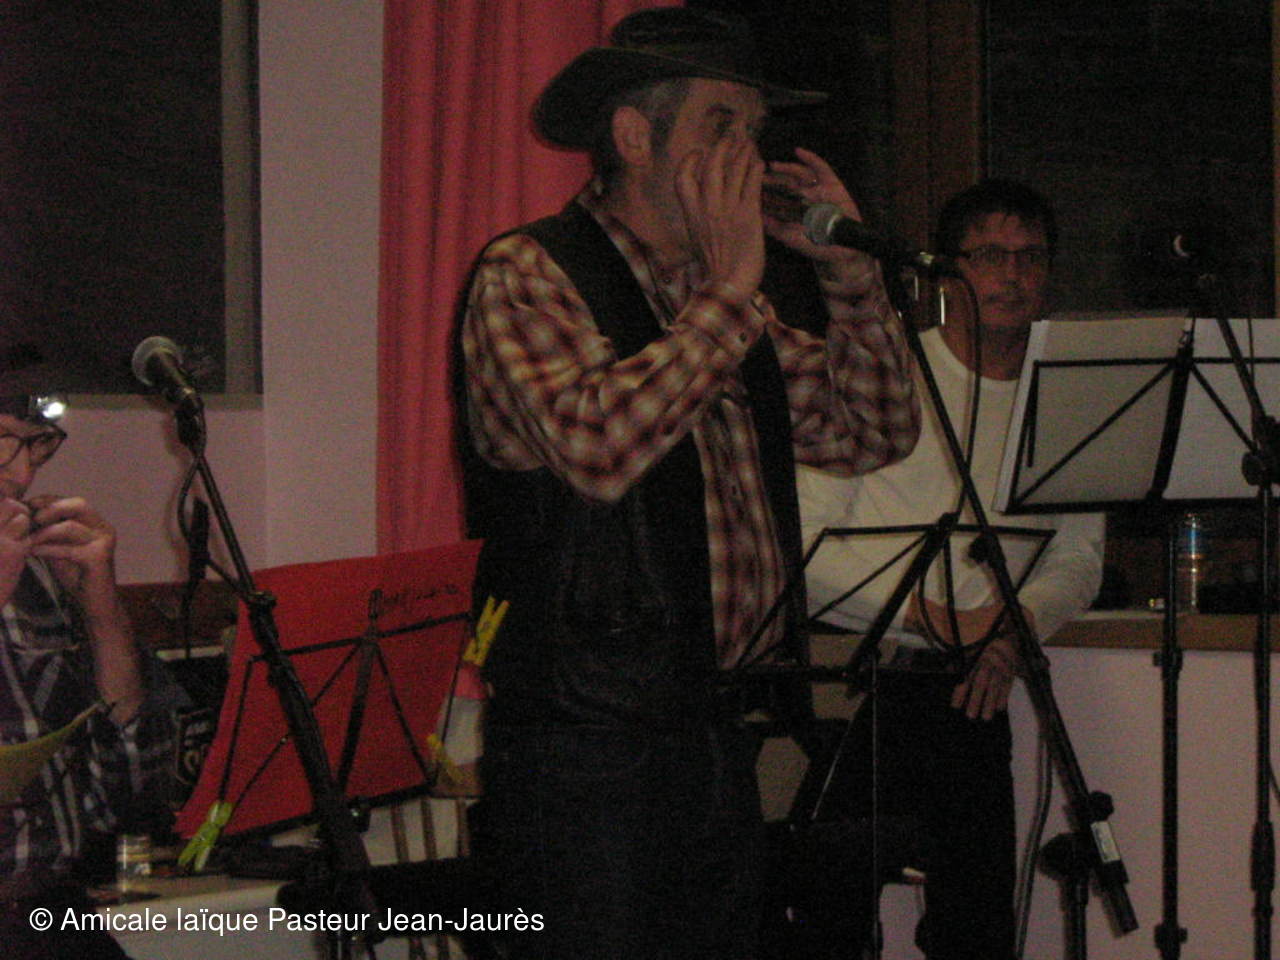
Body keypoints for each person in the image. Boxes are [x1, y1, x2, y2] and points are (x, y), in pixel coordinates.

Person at [456, 8, 921, 959]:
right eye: (722, 125)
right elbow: (596, 448)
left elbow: (874, 429)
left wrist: (849, 280)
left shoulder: (716, 303)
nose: (749, 156)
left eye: (755, 131)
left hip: (715, 732)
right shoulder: (529, 272)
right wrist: (734, 288)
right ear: (635, 136)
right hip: (582, 754)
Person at [796, 179, 1105, 959]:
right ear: (948, 269)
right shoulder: (885, 374)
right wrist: (933, 618)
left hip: (974, 689)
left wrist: (1012, 632)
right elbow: (801, 546)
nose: (1013, 275)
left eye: (1031, 257)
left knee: (977, 931)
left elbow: (1079, 556)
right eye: (991, 256)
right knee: (819, 920)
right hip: (862, 679)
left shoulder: (1062, 398)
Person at [0, 377, 174, 960]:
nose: (22, 475)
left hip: (51, 912)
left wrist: (101, 614)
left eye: (36, 445)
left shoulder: (36, 568)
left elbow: (131, 799)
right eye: (3, 442)